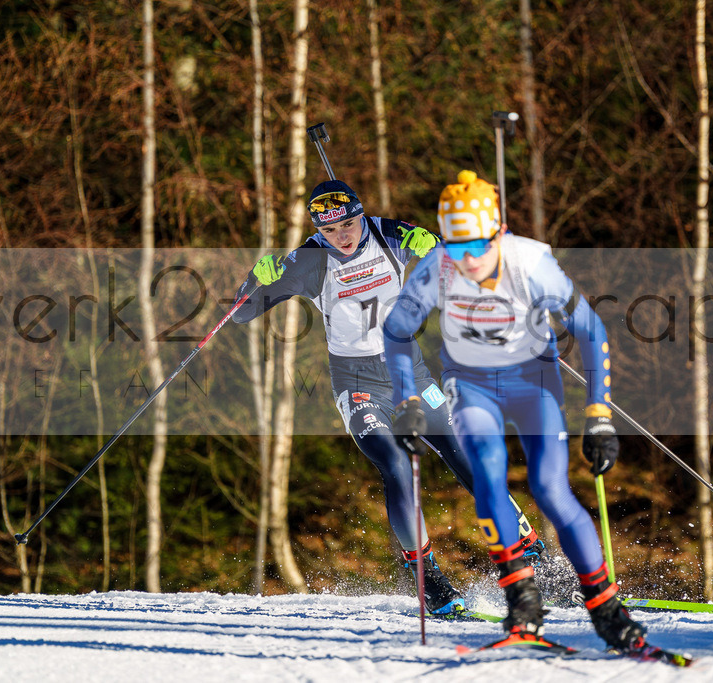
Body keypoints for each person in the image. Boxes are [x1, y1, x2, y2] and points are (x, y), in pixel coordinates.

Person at [231, 178, 542, 615]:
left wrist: (434, 244)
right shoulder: (309, 260)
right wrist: (255, 281)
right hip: (357, 384)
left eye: (348, 224)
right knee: (395, 464)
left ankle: (523, 548)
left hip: (409, 373)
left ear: (360, 214)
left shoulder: (389, 234)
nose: (342, 236)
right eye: (331, 230)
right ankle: (428, 579)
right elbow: (241, 313)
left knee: (465, 454)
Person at [383, 170, 649, 651]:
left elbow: (590, 330)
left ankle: (608, 610)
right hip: (471, 383)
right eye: (456, 248)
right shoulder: (438, 265)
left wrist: (599, 413)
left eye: (477, 248)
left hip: (533, 381)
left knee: (549, 487)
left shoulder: (531, 261)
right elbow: (397, 331)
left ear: (498, 233)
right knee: (486, 474)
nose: (467, 261)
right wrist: (406, 400)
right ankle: (523, 608)